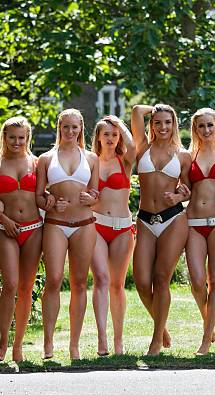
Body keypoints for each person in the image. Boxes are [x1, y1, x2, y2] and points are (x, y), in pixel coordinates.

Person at [35, 108, 99, 360]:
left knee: (80, 283)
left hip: (84, 223)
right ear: (59, 129)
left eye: (75, 127)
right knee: (53, 279)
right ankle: (48, 342)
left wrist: (90, 197)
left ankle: (74, 344)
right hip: (55, 224)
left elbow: (96, 194)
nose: (70, 132)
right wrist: (50, 202)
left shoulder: (92, 158)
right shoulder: (46, 158)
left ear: (81, 128)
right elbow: (39, 195)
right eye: (65, 127)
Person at [131, 104, 192, 355]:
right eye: (157, 122)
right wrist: (153, 107)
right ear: (151, 125)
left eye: (168, 122)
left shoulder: (183, 155)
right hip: (145, 219)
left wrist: (178, 197)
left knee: (161, 279)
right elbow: (136, 110)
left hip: (173, 220)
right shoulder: (142, 148)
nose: (163, 127)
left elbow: (187, 190)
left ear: (174, 124)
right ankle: (162, 326)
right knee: (142, 282)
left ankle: (156, 341)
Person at [0, 117, 43, 362]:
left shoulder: (37, 163)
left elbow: (42, 194)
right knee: (9, 285)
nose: (17, 142)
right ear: (4, 138)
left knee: (26, 288)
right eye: (12, 137)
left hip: (33, 228)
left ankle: (19, 346)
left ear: (27, 138)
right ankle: (3, 343)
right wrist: (3, 218)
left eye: (21, 137)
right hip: (5, 230)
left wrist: (50, 199)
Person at [185, 108, 215, 355]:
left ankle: (205, 339)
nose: (206, 131)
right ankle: (209, 321)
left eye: (210, 125)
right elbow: (183, 185)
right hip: (193, 222)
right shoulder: (188, 155)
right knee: (196, 281)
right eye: (201, 126)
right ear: (195, 129)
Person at [90, 115, 136, 356]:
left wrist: (120, 123)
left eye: (114, 134)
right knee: (101, 279)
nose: (110, 138)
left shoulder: (125, 161)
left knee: (117, 285)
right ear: (98, 137)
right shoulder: (89, 162)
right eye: (106, 133)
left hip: (122, 228)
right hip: (96, 226)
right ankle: (102, 339)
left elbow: (134, 145)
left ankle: (119, 342)